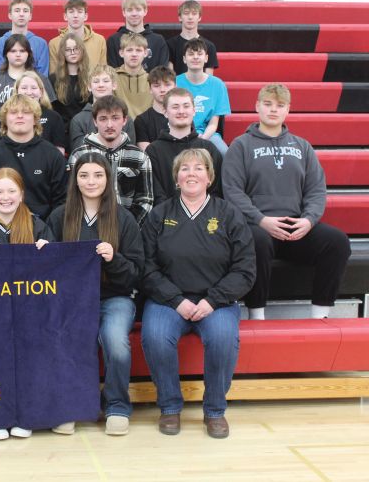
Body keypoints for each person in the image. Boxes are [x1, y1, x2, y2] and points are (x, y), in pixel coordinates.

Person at [140, 148, 256, 439]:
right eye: (184, 169)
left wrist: (212, 300)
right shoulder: (159, 215)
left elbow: (244, 269)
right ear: (176, 178)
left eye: (199, 168)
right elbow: (146, 267)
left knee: (222, 339)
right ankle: (169, 407)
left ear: (210, 177)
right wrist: (176, 300)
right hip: (170, 301)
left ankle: (215, 410)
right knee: (154, 337)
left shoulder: (229, 214)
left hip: (215, 302)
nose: (191, 173)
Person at [222, 83, 352, 320]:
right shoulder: (240, 146)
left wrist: (309, 221)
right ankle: (256, 315)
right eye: (268, 104)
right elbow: (233, 192)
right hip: (258, 226)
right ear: (257, 107)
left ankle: (320, 315)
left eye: (279, 105)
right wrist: (261, 220)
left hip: (295, 227)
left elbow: (316, 190)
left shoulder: (302, 146)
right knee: (257, 241)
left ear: (288, 110)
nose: (273, 110)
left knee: (338, 242)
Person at [47, 153, 144, 437]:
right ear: (75, 180)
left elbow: (136, 273)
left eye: (98, 175)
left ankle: (117, 405)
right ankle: (71, 406)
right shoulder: (59, 216)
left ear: (108, 178)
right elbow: (48, 268)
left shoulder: (123, 219)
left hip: (115, 298)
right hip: (72, 300)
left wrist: (114, 258)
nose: (91, 181)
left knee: (115, 342)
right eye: (84, 175)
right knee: (69, 341)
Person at [0, 167, 52, 442]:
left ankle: (25, 415)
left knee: (26, 363)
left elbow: (54, 276)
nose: (5, 197)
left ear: (22, 194)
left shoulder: (38, 226)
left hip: (28, 313)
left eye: (11, 191)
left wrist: (47, 254)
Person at [68, 96, 153, 226]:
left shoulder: (139, 156)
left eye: (115, 118)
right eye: (103, 119)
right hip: (87, 228)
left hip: (127, 229)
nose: (109, 125)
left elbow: (145, 199)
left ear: (124, 120)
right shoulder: (79, 155)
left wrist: (129, 227)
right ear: (95, 122)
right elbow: (72, 196)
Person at [0, 95, 66, 220]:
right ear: (4, 119)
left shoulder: (53, 155)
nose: (20, 116)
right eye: (13, 112)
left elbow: (61, 202)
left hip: (43, 232)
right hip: (1, 229)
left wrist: (44, 231)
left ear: (36, 119)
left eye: (26, 112)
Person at [147, 88, 222, 206]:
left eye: (186, 106)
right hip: (166, 218)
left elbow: (216, 191)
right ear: (165, 112)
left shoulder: (209, 149)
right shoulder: (153, 151)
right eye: (175, 107)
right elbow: (156, 194)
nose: (181, 111)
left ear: (194, 110)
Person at [176, 38, 231, 154]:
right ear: (184, 59)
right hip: (179, 130)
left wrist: (203, 139)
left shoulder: (218, 85)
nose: (195, 57)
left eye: (199, 54)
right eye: (191, 54)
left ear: (206, 58)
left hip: (208, 133)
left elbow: (214, 122)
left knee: (225, 153)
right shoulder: (175, 83)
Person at [0, 34, 56, 113]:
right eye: (13, 51)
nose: (18, 54)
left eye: (22, 51)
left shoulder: (41, 79)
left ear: (28, 53)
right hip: (0, 124)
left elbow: (49, 113)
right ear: (6, 54)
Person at [70, 64, 136, 151]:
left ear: (114, 85)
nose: (101, 85)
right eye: (96, 81)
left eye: (106, 81)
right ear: (89, 86)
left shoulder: (125, 119)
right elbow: (78, 153)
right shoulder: (78, 120)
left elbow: (130, 151)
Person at [106, 0, 169, 72]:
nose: (134, 14)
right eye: (129, 10)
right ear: (123, 12)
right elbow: (112, 72)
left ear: (145, 11)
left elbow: (162, 72)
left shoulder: (158, 41)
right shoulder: (113, 40)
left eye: (138, 9)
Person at [0, 0, 49, 76]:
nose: (21, 14)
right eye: (17, 10)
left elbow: (43, 75)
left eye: (25, 11)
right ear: (10, 15)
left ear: (30, 16)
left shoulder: (41, 43)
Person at [48, 0, 107, 74]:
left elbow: (103, 70)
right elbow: (54, 75)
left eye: (80, 12)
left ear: (85, 16)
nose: (75, 16)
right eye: (71, 12)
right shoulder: (54, 43)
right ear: (65, 16)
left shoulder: (99, 40)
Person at [50, 34, 91, 138]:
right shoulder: (53, 79)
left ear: (82, 51)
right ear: (62, 53)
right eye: (68, 50)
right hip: (62, 131)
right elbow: (52, 110)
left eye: (76, 49)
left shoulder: (91, 78)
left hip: (86, 131)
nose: (72, 52)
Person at [13, 71, 66, 153]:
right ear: (17, 91)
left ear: (41, 92)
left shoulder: (54, 117)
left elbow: (59, 153)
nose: (29, 92)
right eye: (24, 88)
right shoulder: (7, 117)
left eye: (34, 88)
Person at [166, 0, 218, 76]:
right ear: (180, 17)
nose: (190, 17)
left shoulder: (209, 46)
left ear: (199, 17)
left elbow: (208, 79)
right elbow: (170, 77)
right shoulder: (169, 44)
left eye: (194, 14)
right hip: (178, 87)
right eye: (186, 13)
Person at [135, 66, 175, 150]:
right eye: (157, 86)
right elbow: (147, 153)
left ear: (175, 87)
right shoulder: (141, 121)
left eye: (167, 85)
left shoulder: (183, 116)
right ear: (150, 89)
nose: (162, 90)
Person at [113, 33, 152, 118]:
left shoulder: (152, 80)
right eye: (129, 50)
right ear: (121, 53)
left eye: (138, 50)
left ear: (145, 53)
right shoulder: (111, 77)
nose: (134, 54)